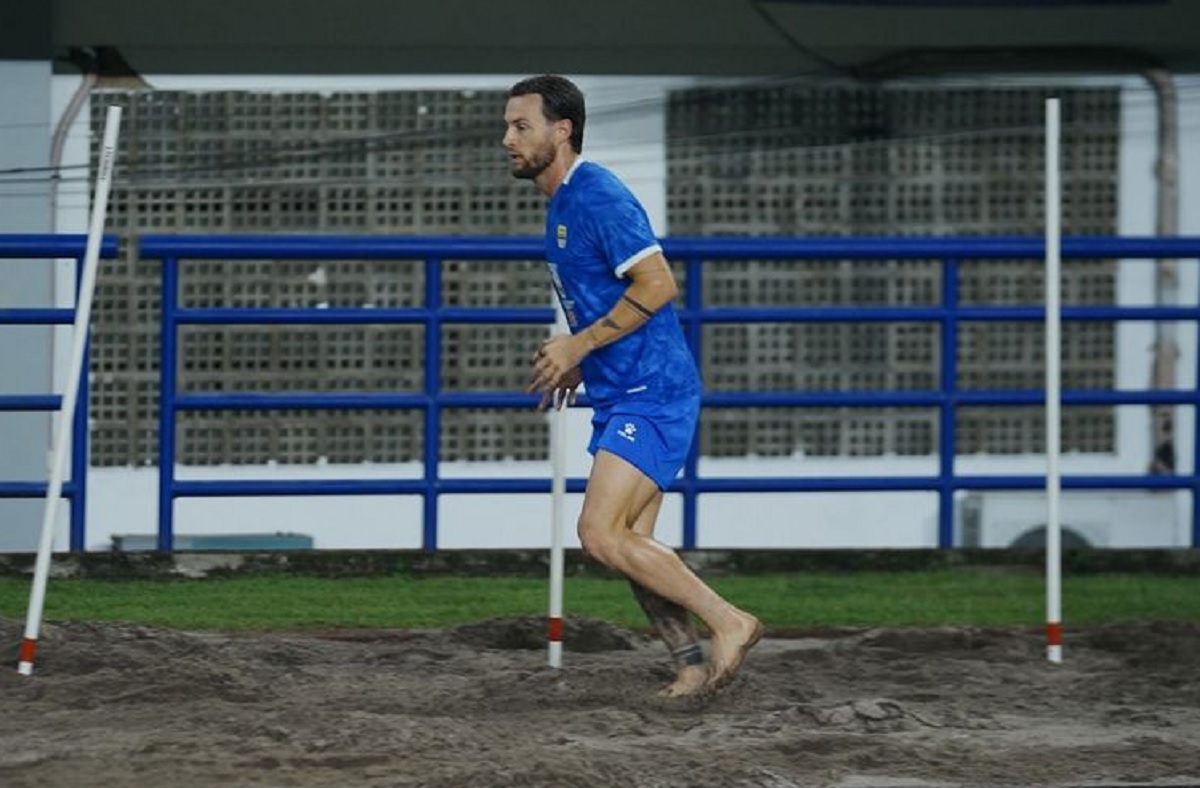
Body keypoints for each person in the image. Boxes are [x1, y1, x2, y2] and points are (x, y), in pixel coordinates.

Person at [503, 74, 763, 695]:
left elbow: (658, 284)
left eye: (521, 126)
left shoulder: (598, 196)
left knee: (598, 534)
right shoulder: (562, 203)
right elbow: (604, 300)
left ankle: (731, 621)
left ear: (561, 131)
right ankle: (692, 665)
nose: (506, 139)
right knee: (630, 544)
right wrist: (578, 363)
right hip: (624, 391)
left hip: (654, 391)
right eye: (507, 126)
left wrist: (579, 344)